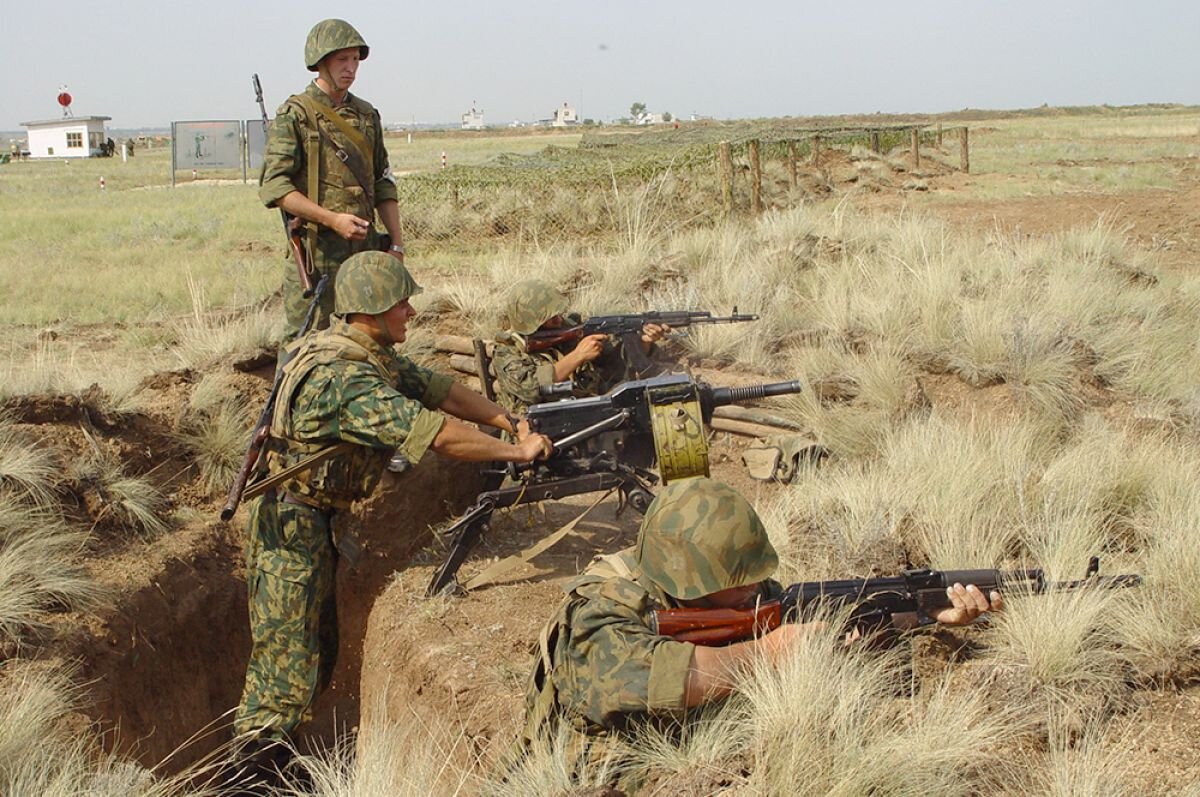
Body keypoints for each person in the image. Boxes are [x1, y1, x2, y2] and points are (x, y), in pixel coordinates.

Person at [229, 251, 553, 787]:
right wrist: (516, 453)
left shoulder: (366, 351)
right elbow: (436, 435)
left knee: (315, 656)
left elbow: (440, 390)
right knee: (281, 681)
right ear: (373, 310)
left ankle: (282, 770)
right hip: (291, 532)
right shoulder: (344, 380)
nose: (410, 310)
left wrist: (507, 419)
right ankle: (252, 780)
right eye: (401, 301)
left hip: (313, 524)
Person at [514, 477, 1002, 779]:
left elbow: (811, 623)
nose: (756, 589)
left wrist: (924, 615)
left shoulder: (747, 596)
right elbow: (662, 677)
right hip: (590, 774)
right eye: (739, 582)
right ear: (694, 580)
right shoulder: (599, 610)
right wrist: (772, 653)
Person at [260, 18, 404, 338]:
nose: (351, 68)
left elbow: (383, 181)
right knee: (305, 344)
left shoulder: (366, 116)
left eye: (355, 59)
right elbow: (276, 187)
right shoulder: (296, 114)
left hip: (365, 254)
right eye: (342, 59)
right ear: (321, 62)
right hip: (317, 255)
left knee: (371, 341)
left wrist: (396, 243)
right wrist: (332, 220)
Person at [490, 279, 669, 416]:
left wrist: (644, 342)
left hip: (592, 413)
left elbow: (616, 362)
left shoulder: (571, 330)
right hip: (540, 427)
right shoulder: (507, 351)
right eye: (551, 319)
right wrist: (578, 355)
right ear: (531, 324)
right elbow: (530, 389)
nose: (559, 321)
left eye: (558, 314)